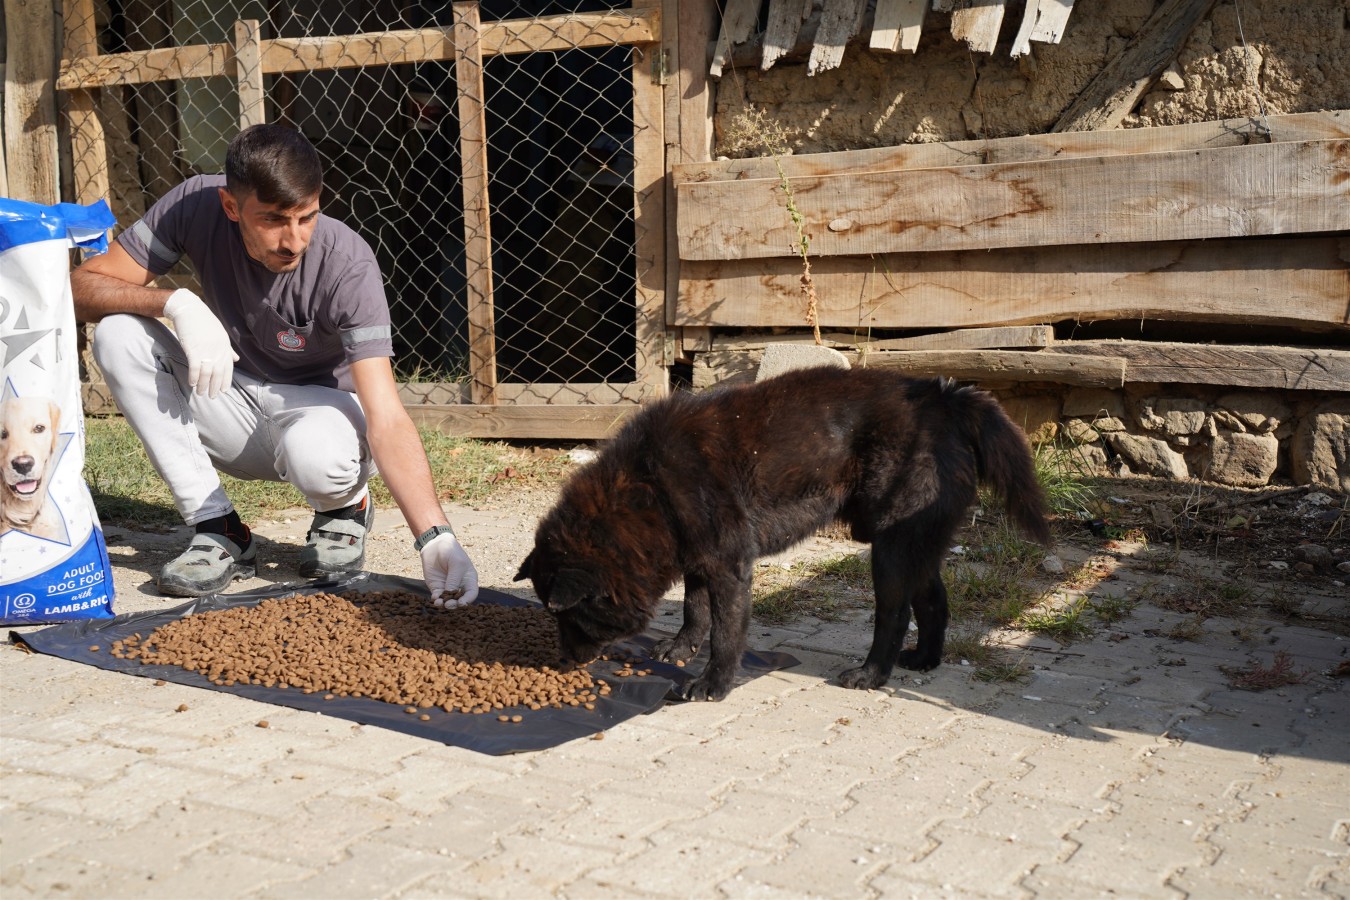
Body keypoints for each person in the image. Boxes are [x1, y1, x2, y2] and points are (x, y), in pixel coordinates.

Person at [71, 123, 479, 606]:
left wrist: (435, 536)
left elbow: (387, 415)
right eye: (273, 220)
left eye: (306, 217)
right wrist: (175, 303)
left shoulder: (348, 263)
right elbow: (79, 288)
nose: (294, 240)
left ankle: (344, 509)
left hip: (320, 414)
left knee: (316, 452)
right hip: (230, 393)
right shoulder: (194, 205)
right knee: (120, 333)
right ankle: (217, 527)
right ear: (230, 206)